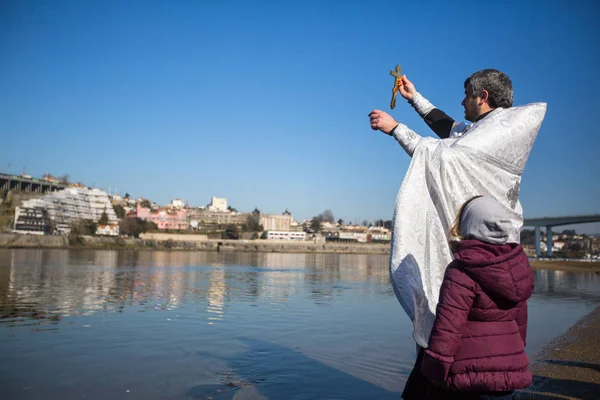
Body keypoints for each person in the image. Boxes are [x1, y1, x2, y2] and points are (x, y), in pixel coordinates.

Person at [368, 69, 545, 351]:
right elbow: (453, 129)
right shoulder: (495, 127)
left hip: (478, 249)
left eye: (466, 96)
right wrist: (415, 98)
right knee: (498, 326)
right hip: (505, 250)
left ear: (483, 97)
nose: (462, 103)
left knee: (463, 322)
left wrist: (396, 128)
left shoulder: (489, 137)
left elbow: (446, 157)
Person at [403, 195, 534, 399]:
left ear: (470, 226)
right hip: (508, 375)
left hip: (468, 376)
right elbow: (520, 326)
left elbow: (448, 329)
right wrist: (512, 358)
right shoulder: (517, 269)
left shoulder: (462, 271)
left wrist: (433, 370)